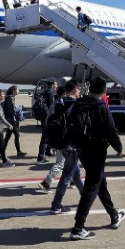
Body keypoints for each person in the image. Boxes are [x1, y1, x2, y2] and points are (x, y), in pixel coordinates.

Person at [69, 77, 125, 240]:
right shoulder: (100, 106)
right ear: (103, 91)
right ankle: (78, 227)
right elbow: (111, 130)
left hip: (81, 149)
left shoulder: (78, 104)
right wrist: (118, 148)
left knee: (100, 181)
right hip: (97, 150)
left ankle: (114, 215)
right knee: (92, 186)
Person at [46, 82, 85, 213]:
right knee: (67, 176)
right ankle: (56, 205)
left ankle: (86, 197)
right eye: (79, 89)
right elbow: (77, 126)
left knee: (76, 173)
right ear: (75, 89)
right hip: (71, 145)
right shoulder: (74, 105)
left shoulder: (60, 102)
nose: (80, 91)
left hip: (61, 143)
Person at [36, 81, 57, 163]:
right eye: (55, 85)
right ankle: (40, 157)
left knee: (47, 137)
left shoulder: (45, 92)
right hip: (47, 118)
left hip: (44, 117)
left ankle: (47, 152)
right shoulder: (50, 93)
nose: (56, 86)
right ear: (52, 85)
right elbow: (51, 107)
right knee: (45, 138)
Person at [2, 85, 26, 157]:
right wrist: (18, 109)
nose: (19, 91)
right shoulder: (10, 99)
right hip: (11, 121)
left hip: (10, 120)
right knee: (16, 135)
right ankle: (18, 152)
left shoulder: (11, 98)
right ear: (14, 90)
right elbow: (11, 110)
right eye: (18, 90)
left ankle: (3, 152)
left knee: (8, 137)